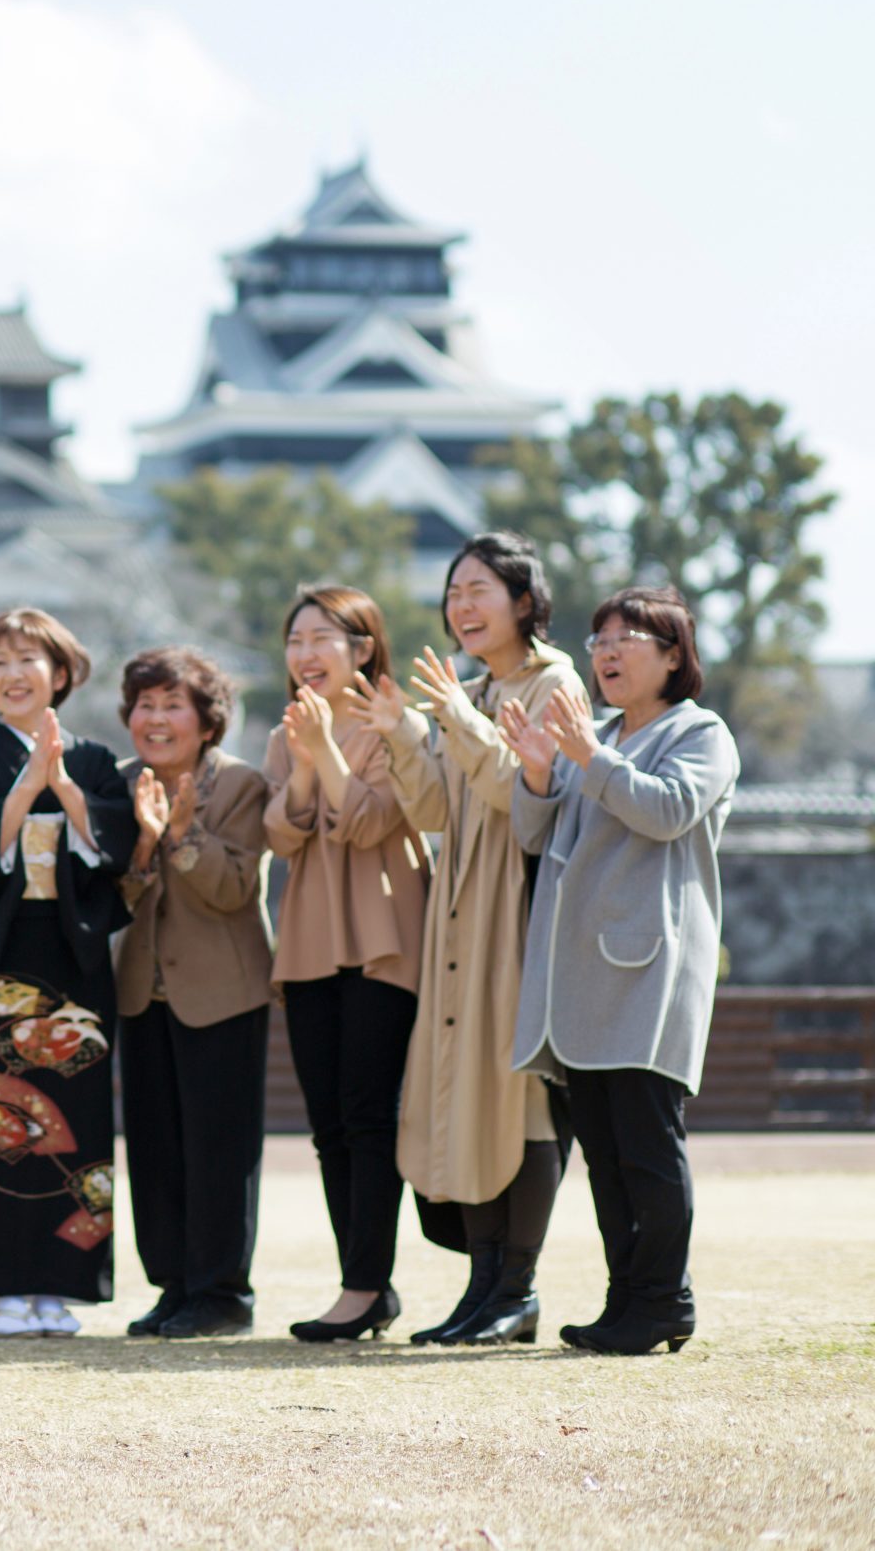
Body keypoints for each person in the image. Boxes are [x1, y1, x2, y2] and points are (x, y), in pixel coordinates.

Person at [355, 533, 583, 1346]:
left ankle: (516, 1286)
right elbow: (435, 810)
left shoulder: (555, 681)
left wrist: (452, 716)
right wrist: (404, 733)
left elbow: (525, 799)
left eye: (479, 589)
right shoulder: (474, 688)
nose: (462, 605)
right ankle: (483, 1287)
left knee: (521, 1097)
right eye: (454, 592)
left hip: (518, 908)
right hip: (458, 909)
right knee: (466, 1095)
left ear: (524, 600)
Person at [506, 585, 737, 1356]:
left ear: (673, 655)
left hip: (649, 973)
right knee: (604, 1152)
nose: (605, 652)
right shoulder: (595, 735)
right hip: (582, 978)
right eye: (599, 639)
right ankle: (627, 1300)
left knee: (646, 1143)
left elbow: (668, 811)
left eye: (625, 638)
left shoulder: (699, 732)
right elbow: (535, 836)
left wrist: (587, 758)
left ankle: (665, 1298)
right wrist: (537, 773)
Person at [0, 608, 134, 1339]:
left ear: (61, 673)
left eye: (28, 660)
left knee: (80, 1123)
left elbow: (120, 851)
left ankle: (62, 1284)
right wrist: (20, 794)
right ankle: (4, 1286)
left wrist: (65, 786)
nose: (13, 674)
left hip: (74, 963)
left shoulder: (96, 762)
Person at [265, 584, 430, 1342]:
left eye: (320, 639)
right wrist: (303, 761)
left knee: (368, 1116)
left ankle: (364, 1285)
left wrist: (325, 750)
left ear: (362, 648)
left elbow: (368, 823)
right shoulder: (286, 732)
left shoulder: (398, 723)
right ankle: (364, 1286)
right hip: (309, 940)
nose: (304, 654)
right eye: (295, 640)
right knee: (328, 1124)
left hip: (382, 935)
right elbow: (281, 835)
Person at [112, 646, 274, 1340]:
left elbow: (234, 887)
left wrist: (180, 836)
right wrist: (143, 845)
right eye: (144, 704)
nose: (155, 718)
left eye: (172, 704)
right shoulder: (119, 783)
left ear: (207, 721)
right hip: (141, 990)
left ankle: (223, 1293)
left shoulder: (240, 784)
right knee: (155, 1149)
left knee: (220, 1149)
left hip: (223, 991)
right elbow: (112, 892)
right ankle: (174, 1286)